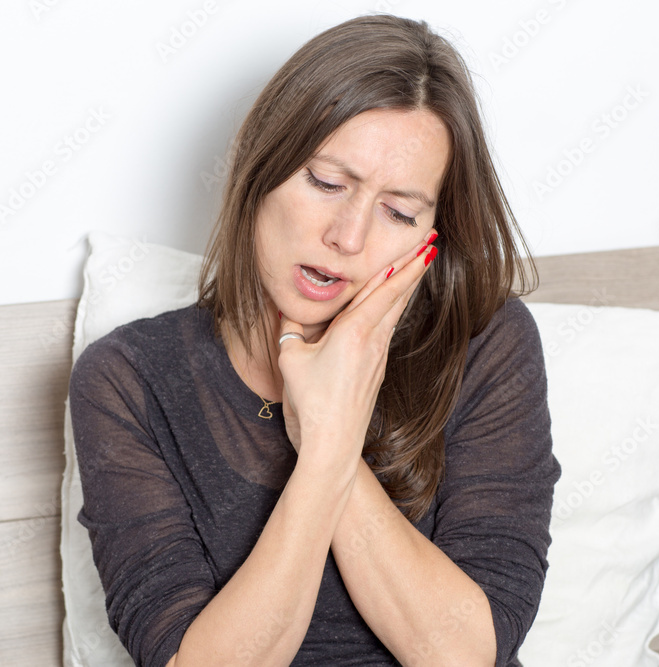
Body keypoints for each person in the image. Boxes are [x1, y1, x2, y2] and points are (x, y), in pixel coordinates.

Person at [68, 13, 560, 667]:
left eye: (399, 211)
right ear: (258, 166)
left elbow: (465, 656)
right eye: (327, 182)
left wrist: (327, 431)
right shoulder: (128, 380)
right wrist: (325, 451)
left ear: (430, 236)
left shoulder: (484, 342)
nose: (348, 236)